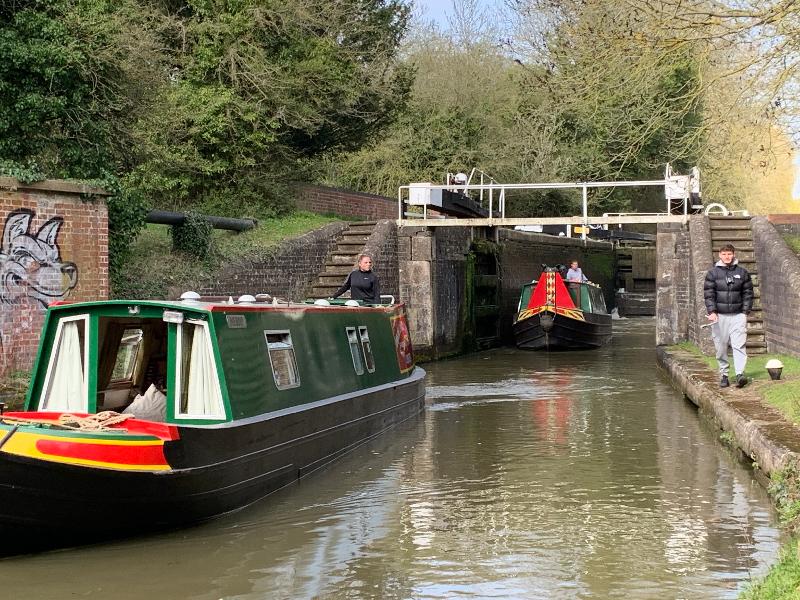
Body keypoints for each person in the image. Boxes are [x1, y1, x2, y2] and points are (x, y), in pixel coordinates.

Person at [704, 243, 753, 388]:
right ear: (719, 255)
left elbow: (748, 294)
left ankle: (740, 374)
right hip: (720, 317)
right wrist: (712, 312)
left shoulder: (742, 273)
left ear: (733, 254)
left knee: (739, 345)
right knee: (721, 347)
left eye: (729, 254)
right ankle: (724, 375)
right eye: (724, 254)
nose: (727, 257)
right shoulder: (712, 273)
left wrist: (745, 312)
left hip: (738, 315)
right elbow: (709, 295)